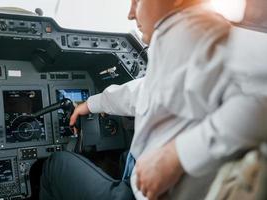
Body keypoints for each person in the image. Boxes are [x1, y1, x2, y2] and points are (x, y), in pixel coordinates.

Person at [40, 0, 267, 200]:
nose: (130, 14)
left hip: (144, 192)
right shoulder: (179, 46)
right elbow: (144, 91)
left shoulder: (204, 37)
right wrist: (90, 104)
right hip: (140, 175)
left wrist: (176, 156)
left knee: (54, 165)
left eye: (137, 1)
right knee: (117, 158)